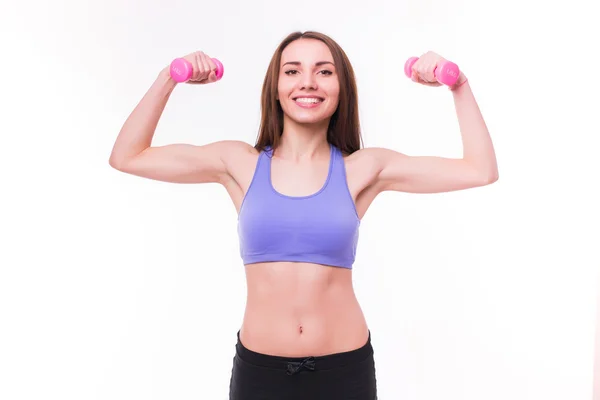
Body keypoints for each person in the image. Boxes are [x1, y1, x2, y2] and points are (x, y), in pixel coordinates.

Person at [109, 31, 498, 400]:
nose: (307, 82)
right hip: (260, 374)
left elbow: (479, 170)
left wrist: (458, 84)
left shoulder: (363, 169)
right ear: (276, 89)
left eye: (324, 71)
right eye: (292, 71)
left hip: (344, 372)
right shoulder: (238, 164)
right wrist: (168, 78)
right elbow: (128, 156)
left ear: (341, 87)